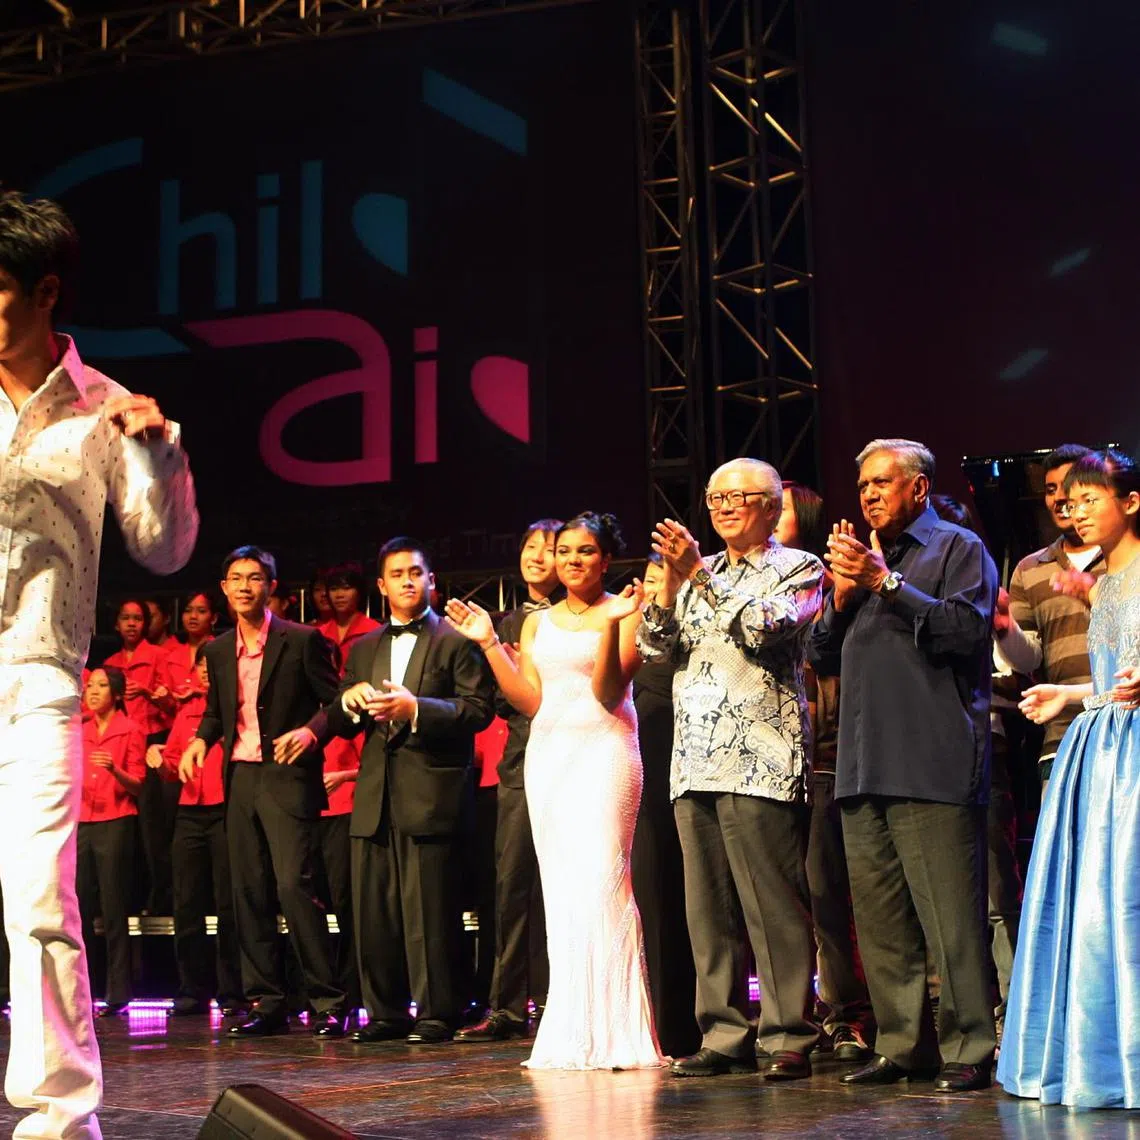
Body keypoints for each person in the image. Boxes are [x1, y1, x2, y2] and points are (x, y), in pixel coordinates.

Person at [0, 189, 198, 1140]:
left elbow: (161, 550)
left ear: (44, 294)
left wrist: (157, 455)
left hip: (37, 682)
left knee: (40, 897)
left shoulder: (109, 409)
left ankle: (57, 1117)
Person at [807, 438, 998, 1093]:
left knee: (950, 918)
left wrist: (884, 583)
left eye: (882, 482)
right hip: (863, 766)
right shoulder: (861, 565)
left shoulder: (955, 549)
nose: (868, 495)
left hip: (931, 762)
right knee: (882, 922)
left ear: (918, 487)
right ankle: (901, 1045)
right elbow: (821, 654)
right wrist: (840, 595)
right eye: (862, 485)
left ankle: (970, 1044)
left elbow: (966, 632)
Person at [447, 512, 665, 1069]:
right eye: (565, 550)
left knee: (604, 884)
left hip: (605, 752)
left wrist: (616, 624)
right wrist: (491, 643)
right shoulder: (536, 623)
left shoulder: (627, 611)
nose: (572, 559)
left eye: (586, 551)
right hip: (549, 758)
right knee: (563, 894)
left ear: (606, 559)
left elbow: (609, 694)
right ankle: (571, 1033)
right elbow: (530, 700)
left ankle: (621, 1036)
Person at [638, 459, 822, 1081]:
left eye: (737, 496)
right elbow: (653, 649)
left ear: (771, 506)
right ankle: (723, 1033)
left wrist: (697, 577)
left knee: (771, 905)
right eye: (714, 497)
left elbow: (762, 627)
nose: (721, 507)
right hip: (693, 758)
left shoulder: (798, 567)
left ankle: (789, 1032)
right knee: (707, 909)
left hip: (761, 759)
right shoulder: (698, 570)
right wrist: (669, 583)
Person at [998, 449, 1140, 1108]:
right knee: (1103, 909)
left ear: (1131, 503)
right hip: (1105, 753)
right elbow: (1115, 683)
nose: (1076, 512)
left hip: (1134, 758)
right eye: (1070, 502)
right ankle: (1104, 1052)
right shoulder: (1107, 585)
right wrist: (1068, 694)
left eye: (1091, 500)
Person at [323, 538, 493, 1045]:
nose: (406, 581)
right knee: (374, 912)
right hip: (375, 797)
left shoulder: (455, 641)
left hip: (430, 795)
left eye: (416, 573)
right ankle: (386, 1012)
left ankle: (439, 1011)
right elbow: (346, 719)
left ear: (431, 580)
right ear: (381, 585)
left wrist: (417, 708)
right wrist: (350, 703)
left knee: (431, 912)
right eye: (396, 574)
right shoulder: (363, 648)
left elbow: (477, 710)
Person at [182, 544, 348, 1038]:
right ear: (224, 588)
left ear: (272, 587)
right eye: (236, 579)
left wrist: (311, 732)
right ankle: (268, 1000)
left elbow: (337, 701)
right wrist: (199, 739)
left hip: (286, 776)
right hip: (240, 778)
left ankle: (326, 1000)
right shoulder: (216, 648)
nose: (245, 587)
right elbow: (218, 711)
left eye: (255, 578)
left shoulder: (302, 641)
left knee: (294, 887)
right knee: (248, 892)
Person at [774, 480, 873, 1062]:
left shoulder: (826, 580)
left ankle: (849, 1014)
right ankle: (796, 1013)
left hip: (825, 756)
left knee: (826, 889)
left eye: (777, 506)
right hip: (772, 760)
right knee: (788, 892)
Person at [457, 519, 561, 1043]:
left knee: (563, 887)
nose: (537, 556)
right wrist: (509, 668)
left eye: (549, 547)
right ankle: (507, 1007)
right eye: (529, 546)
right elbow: (490, 701)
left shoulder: (578, 615)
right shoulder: (503, 622)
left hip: (574, 754)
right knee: (512, 883)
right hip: (520, 760)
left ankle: (560, 1000)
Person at [930, 493, 1024, 1042]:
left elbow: (1013, 677)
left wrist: (1001, 629)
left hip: (981, 745)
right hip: (925, 751)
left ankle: (1013, 1002)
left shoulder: (982, 592)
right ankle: (955, 1003)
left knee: (991, 889)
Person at [996, 444, 1104, 789]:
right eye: (1050, 489)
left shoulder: (1126, 554)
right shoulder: (1030, 569)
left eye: (1068, 486)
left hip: (1127, 725)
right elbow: (1030, 657)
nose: (1059, 498)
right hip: (1062, 734)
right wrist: (1003, 628)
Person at [630, 554, 700, 1059]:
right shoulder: (636, 644)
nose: (658, 587)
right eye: (652, 579)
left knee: (692, 896)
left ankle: (694, 1022)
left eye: (668, 579)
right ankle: (661, 1024)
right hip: (647, 772)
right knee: (655, 894)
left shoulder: (687, 640)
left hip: (694, 765)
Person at [152, 647, 242, 1017]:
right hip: (189, 812)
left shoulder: (234, 712)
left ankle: (233, 991)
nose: (206, 672)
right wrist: (159, 763)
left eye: (212, 665)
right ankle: (192, 989)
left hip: (225, 810)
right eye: (201, 667)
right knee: (187, 903)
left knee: (227, 904)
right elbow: (173, 766)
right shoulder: (187, 713)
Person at [314, 561, 380, 1018]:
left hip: (357, 790)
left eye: (346, 587)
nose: (339, 595)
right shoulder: (311, 637)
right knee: (325, 897)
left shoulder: (374, 637)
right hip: (317, 789)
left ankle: (360, 989)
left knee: (355, 897)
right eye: (331, 588)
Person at [77, 667, 145, 1017]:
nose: (93, 692)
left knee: (114, 907)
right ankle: (81, 992)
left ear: (116, 693)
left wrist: (114, 769)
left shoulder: (130, 729)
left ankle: (118, 993)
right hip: (82, 822)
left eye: (102, 686)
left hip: (115, 821)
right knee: (81, 909)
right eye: (90, 686)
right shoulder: (80, 729)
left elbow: (139, 785)